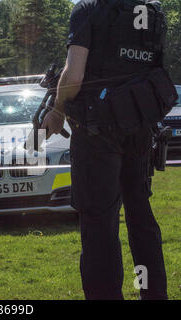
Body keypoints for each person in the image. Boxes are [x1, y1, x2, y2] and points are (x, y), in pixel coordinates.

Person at [41, 0, 170, 300]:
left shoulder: (87, 9)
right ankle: (150, 293)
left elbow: (73, 77)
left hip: (97, 132)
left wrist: (57, 108)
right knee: (140, 220)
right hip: (138, 128)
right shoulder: (149, 12)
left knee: (100, 225)